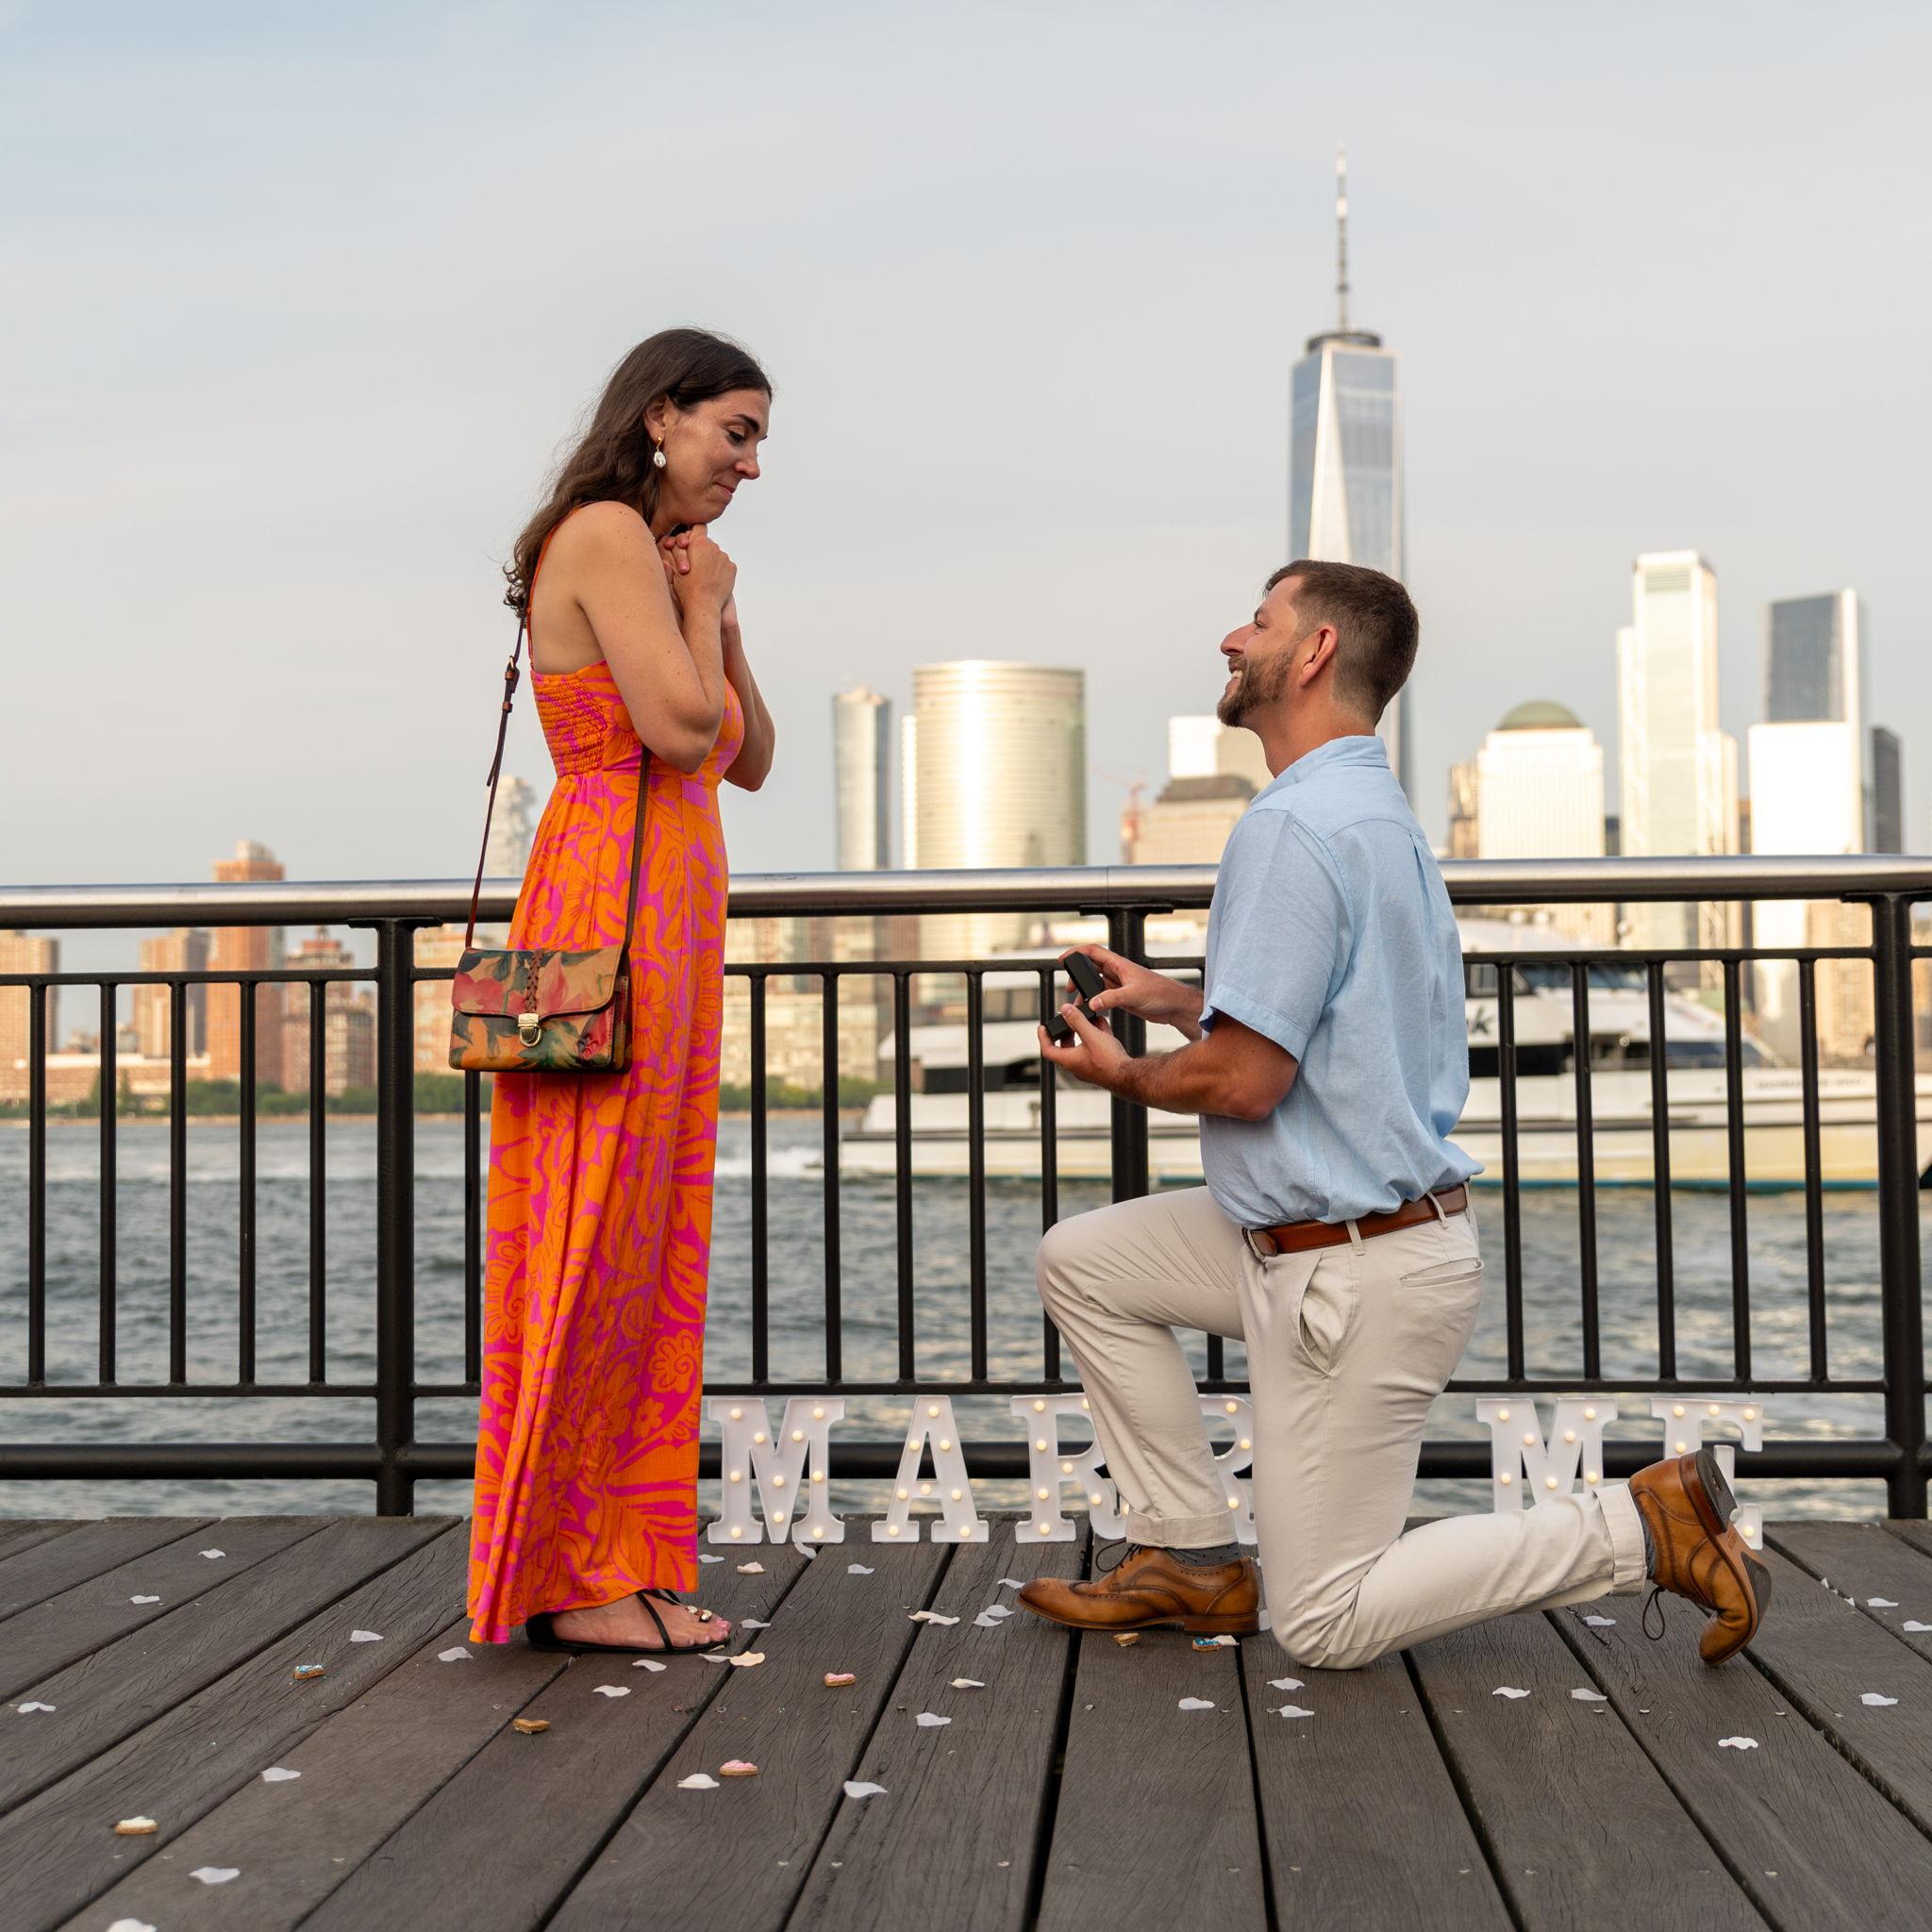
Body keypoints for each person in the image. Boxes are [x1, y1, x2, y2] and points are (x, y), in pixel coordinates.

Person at [1015, 560, 1770, 1670]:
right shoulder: (1368, 809)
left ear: (1313, 650)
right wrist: (1186, 1003)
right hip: (1321, 1235)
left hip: (1345, 1268)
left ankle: (1639, 1525)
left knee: (1324, 1622)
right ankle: (1187, 1555)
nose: (1232, 635)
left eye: (1258, 619)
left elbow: (1247, 1082)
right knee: (1084, 1260)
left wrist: (1120, 1073)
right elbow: (1340, 1024)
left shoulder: (1292, 828)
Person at [466, 328, 777, 1654]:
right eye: (736, 433)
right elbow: (679, 730)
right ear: (663, 415)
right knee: (594, 1239)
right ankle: (572, 1575)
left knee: (646, 1248)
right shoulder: (598, 531)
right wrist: (700, 609)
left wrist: (716, 601)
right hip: (611, 902)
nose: (751, 464)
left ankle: (614, 1556)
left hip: (665, 906)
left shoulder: (661, 556)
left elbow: (748, 755)